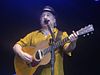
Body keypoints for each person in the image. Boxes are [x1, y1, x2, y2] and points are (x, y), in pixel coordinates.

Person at [13, 6, 78, 75]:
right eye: (43, 16)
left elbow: (68, 49)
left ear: (54, 20)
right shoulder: (33, 35)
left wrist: (73, 42)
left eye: (48, 15)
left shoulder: (61, 35)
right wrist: (22, 54)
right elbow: (16, 46)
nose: (45, 17)